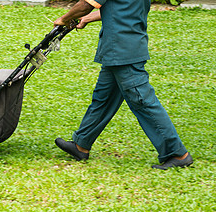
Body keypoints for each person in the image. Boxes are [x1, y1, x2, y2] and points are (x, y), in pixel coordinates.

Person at [53, 0, 193, 170]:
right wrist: (87, 19)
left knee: (142, 100)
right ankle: (81, 145)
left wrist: (64, 19)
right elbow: (120, 8)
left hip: (120, 49)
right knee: (104, 98)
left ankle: (177, 154)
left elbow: (85, 4)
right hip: (129, 43)